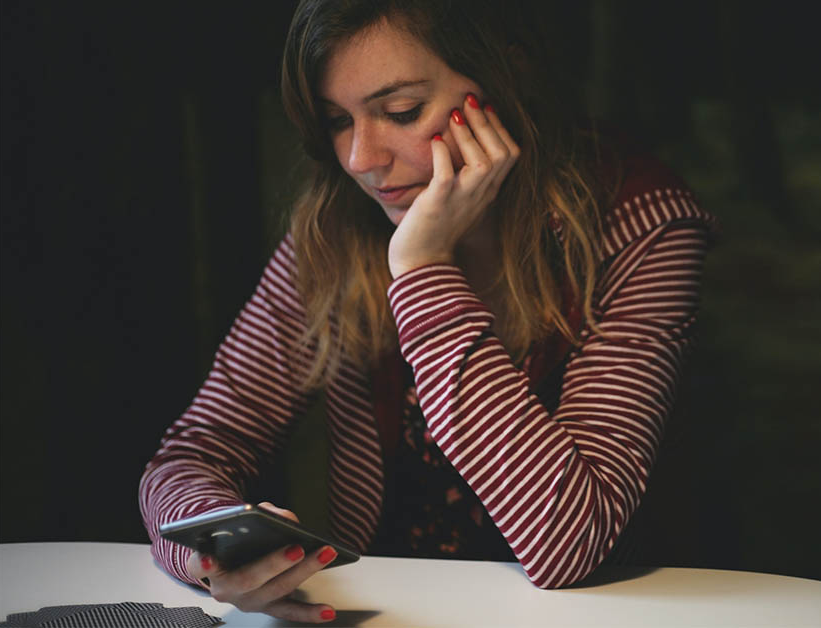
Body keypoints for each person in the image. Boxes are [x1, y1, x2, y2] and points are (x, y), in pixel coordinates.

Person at [139, 0, 715, 623]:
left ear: (506, 77)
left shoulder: (641, 225)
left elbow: (566, 544)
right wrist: (213, 555)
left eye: (400, 112)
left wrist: (422, 268)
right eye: (337, 120)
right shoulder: (336, 230)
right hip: (396, 615)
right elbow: (194, 452)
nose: (361, 158)